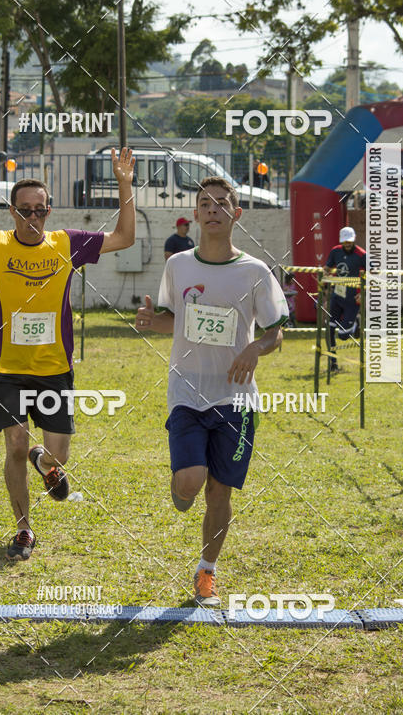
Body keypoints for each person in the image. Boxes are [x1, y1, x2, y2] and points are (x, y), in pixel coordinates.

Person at [0, 137, 135, 562]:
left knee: (58, 456)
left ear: (48, 211)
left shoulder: (67, 243)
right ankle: (23, 529)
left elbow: (125, 237)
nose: (33, 217)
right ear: (12, 211)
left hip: (55, 368)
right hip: (4, 367)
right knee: (15, 443)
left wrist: (124, 184)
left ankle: (45, 458)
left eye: (40, 209)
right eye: (25, 210)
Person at [136, 177, 288, 606]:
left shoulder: (256, 272)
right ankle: (182, 486)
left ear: (236, 214)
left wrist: (255, 348)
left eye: (222, 203)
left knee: (219, 491)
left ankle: (207, 571)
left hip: (236, 397)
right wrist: (150, 321)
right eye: (205, 203)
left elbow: (277, 332)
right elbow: (170, 319)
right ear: (197, 213)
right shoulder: (179, 266)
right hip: (186, 390)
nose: (213, 209)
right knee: (191, 482)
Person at [324, 226, 366, 373]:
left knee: (343, 336)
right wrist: (324, 281)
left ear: (353, 240)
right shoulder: (335, 251)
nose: (347, 244)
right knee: (328, 329)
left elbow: (374, 272)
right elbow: (327, 268)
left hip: (353, 300)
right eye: (345, 242)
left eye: (349, 241)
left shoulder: (361, 255)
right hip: (337, 296)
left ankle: (355, 322)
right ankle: (333, 363)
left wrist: (363, 293)